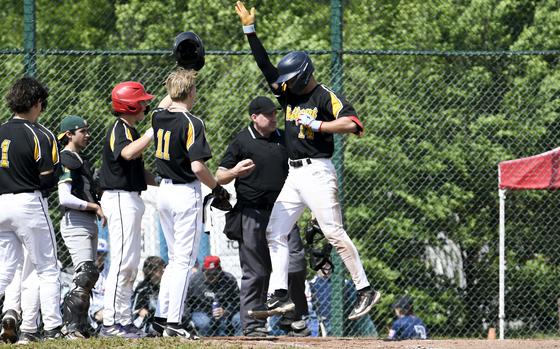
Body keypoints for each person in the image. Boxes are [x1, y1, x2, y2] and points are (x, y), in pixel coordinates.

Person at [234, 1, 380, 321]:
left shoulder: (324, 96)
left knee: (333, 233)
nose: (283, 84)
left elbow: (354, 125)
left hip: (317, 172)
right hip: (294, 175)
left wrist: (319, 125)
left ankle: (365, 290)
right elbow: (266, 68)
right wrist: (250, 30)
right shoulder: (289, 94)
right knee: (276, 231)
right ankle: (281, 296)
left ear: (304, 76)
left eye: (290, 79)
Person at [216, 96, 309, 337]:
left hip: (284, 211)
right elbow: (219, 175)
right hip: (252, 212)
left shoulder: (283, 138)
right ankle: (254, 325)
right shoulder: (242, 141)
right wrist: (235, 171)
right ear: (254, 117)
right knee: (257, 272)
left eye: (274, 113)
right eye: (268, 114)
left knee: (296, 265)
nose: (273, 117)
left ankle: (293, 318)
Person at [151, 67, 230, 339]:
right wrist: (217, 188)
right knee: (184, 262)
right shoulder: (192, 122)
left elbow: (166, 102)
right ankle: (174, 322)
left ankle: (163, 316)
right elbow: (198, 167)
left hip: (163, 192)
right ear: (190, 92)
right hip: (185, 193)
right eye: (194, 88)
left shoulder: (158, 116)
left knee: (174, 260)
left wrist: (178, 79)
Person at [0, 77, 64, 340]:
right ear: (37, 103)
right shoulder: (41, 133)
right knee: (47, 267)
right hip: (28, 201)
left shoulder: (1, 130)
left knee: (5, 269)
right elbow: (49, 177)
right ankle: (52, 327)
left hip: (1, 202)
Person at [98, 81, 155, 338]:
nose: (145, 104)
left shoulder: (130, 129)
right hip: (119, 199)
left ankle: (122, 319)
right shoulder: (120, 128)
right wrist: (153, 132)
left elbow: (139, 169)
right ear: (129, 104)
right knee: (122, 262)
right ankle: (110, 322)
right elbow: (128, 154)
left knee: (130, 264)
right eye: (141, 101)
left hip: (129, 198)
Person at [57, 115, 106, 339]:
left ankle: (82, 324)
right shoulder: (67, 158)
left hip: (87, 220)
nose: (88, 135)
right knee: (85, 273)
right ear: (69, 134)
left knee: (89, 275)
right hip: (75, 219)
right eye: (82, 131)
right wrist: (93, 206)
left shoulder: (81, 159)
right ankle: (71, 327)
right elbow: (64, 197)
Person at [184, 256, 241, 336]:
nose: (211, 277)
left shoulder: (229, 279)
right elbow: (186, 302)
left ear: (220, 271)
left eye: (215, 273)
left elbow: (237, 301)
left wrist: (227, 311)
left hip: (224, 311)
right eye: (208, 273)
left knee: (238, 319)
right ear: (203, 271)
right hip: (201, 311)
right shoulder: (195, 280)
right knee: (204, 323)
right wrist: (186, 319)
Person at [132, 256, 165, 334]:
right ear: (152, 271)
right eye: (161, 268)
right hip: (145, 322)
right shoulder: (143, 287)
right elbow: (138, 310)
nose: (163, 270)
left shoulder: (160, 287)